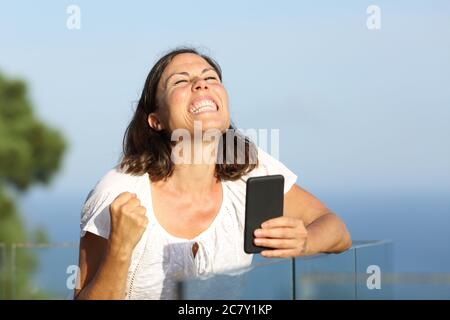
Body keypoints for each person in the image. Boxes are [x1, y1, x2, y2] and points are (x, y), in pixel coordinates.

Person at [74, 47, 352, 300]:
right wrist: (120, 250)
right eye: (181, 81)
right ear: (155, 120)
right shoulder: (120, 191)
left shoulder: (249, 170)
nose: (201, 83)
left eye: (211, 77)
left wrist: (306, 240)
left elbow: (338, 232)